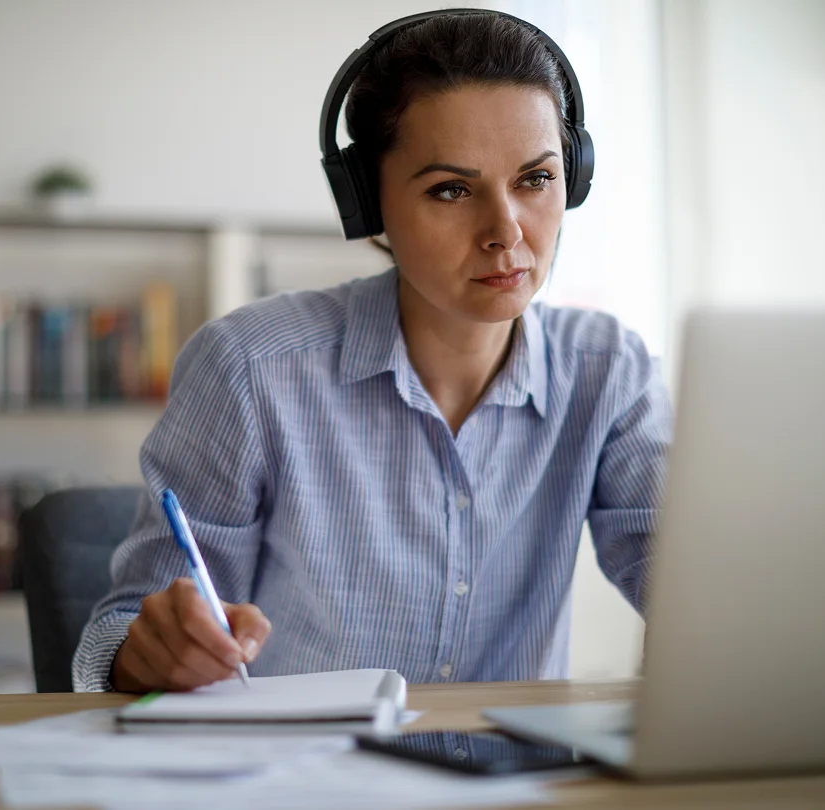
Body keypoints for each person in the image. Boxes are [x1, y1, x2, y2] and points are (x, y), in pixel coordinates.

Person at [73, 10, 671, 693]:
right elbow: (125, 628)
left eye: (536, 180)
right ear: (367, 204)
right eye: (451, 189)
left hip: (515, 788)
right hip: (297, 783)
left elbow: (693, 589)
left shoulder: (611, 374)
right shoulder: (250, 370)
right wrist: (150, 651)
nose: (507, 232)